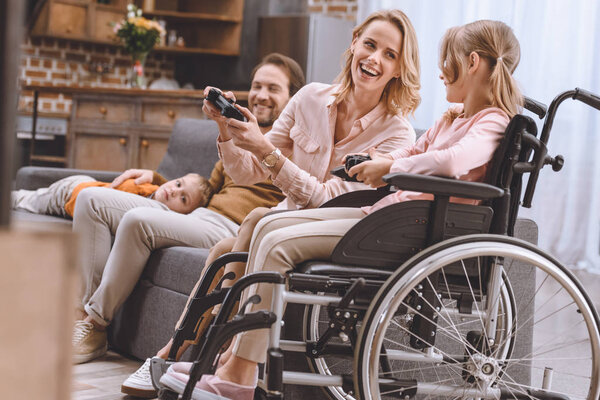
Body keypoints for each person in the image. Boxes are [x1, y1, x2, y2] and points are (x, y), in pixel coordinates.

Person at [161, 18, 523, 400]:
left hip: (411, 227)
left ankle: (238, 374)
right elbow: (414, 151)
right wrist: (372, 161)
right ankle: (225, 363)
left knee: (277, 241)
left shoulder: (494, 121)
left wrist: (390, 167)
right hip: (391, 216)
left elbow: (451, 163)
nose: (440, 72)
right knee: (267, 224)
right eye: (370, 46)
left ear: (470, 62)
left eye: (446, 62)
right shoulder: (453, 118)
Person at [125, 8, 421, 398]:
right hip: (283, 221)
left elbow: (328, 199)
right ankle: (181, 352)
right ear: (353, 44)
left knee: (257, 222)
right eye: (369, 45)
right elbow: (248, 173)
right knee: (222, 251)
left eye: (389, 54)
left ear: (399, 68)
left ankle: (225, 361)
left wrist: (267, 151)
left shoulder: (397, 133)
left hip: (327, 231)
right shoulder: (310, 98)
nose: (374, 59)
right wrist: (226, 131)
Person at [70, 53, 305, 372]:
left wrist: (254, 142)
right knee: (92, 200)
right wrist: (158, 181)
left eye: (273, 89)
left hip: (233, 229)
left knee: (138, 222)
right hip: (201, 216)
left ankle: (95, 324)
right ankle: (80, 317)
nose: (262, 95)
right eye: (257, 86)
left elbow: (291, 191)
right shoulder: (239, 133)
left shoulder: (295, 144)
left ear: (292, 97)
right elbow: (210, 186)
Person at [11, 173, 211, 217]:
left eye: (183, 198)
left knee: (28, 197)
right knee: (26, 200)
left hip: (80, 190)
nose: (174, 190)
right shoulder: (144, 188)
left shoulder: (153, 212)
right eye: (178, 183)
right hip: (71, 191)